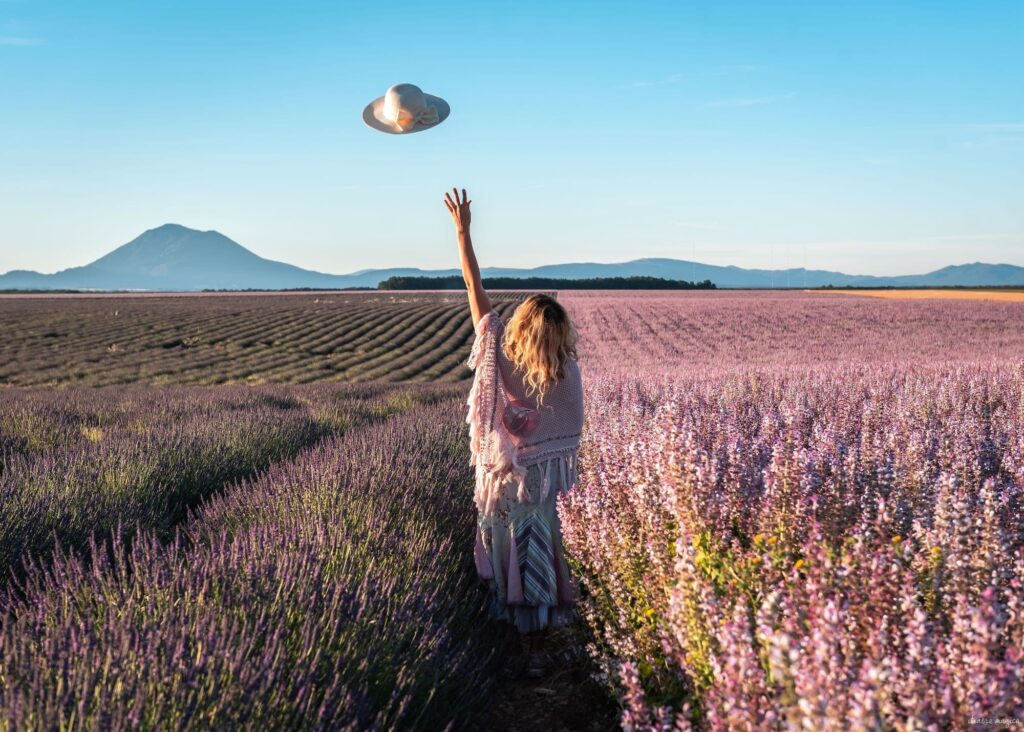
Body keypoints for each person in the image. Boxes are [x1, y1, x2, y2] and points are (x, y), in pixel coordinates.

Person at [443, 187, 585, 679]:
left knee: (514, 555)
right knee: (547, 550)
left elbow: (474, 291)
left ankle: (520, 652)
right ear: (561, 332)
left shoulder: (507, 362)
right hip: (554, 487)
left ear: (520, 329)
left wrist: (462, 233)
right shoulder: (569, 374)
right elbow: (571, 434)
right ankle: (546, 648)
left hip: (512, 482)